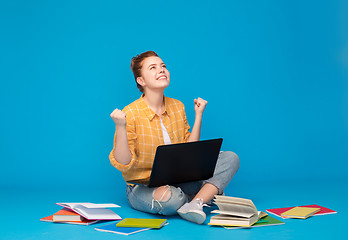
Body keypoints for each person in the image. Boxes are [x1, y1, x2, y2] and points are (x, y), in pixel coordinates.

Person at [109, 51, 239, 224]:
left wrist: (198, 115)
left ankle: (196, 202)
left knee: (231, 158)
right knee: (172, 200)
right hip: (143, 186)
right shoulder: (130, 113)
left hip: (180, 180)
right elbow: (123, 162)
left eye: (163, 66)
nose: (161, 70)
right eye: (153, 68)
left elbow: (192, 152)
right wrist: (120, 126)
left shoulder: (177, 106)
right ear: (141, 81)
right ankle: (206, 195)